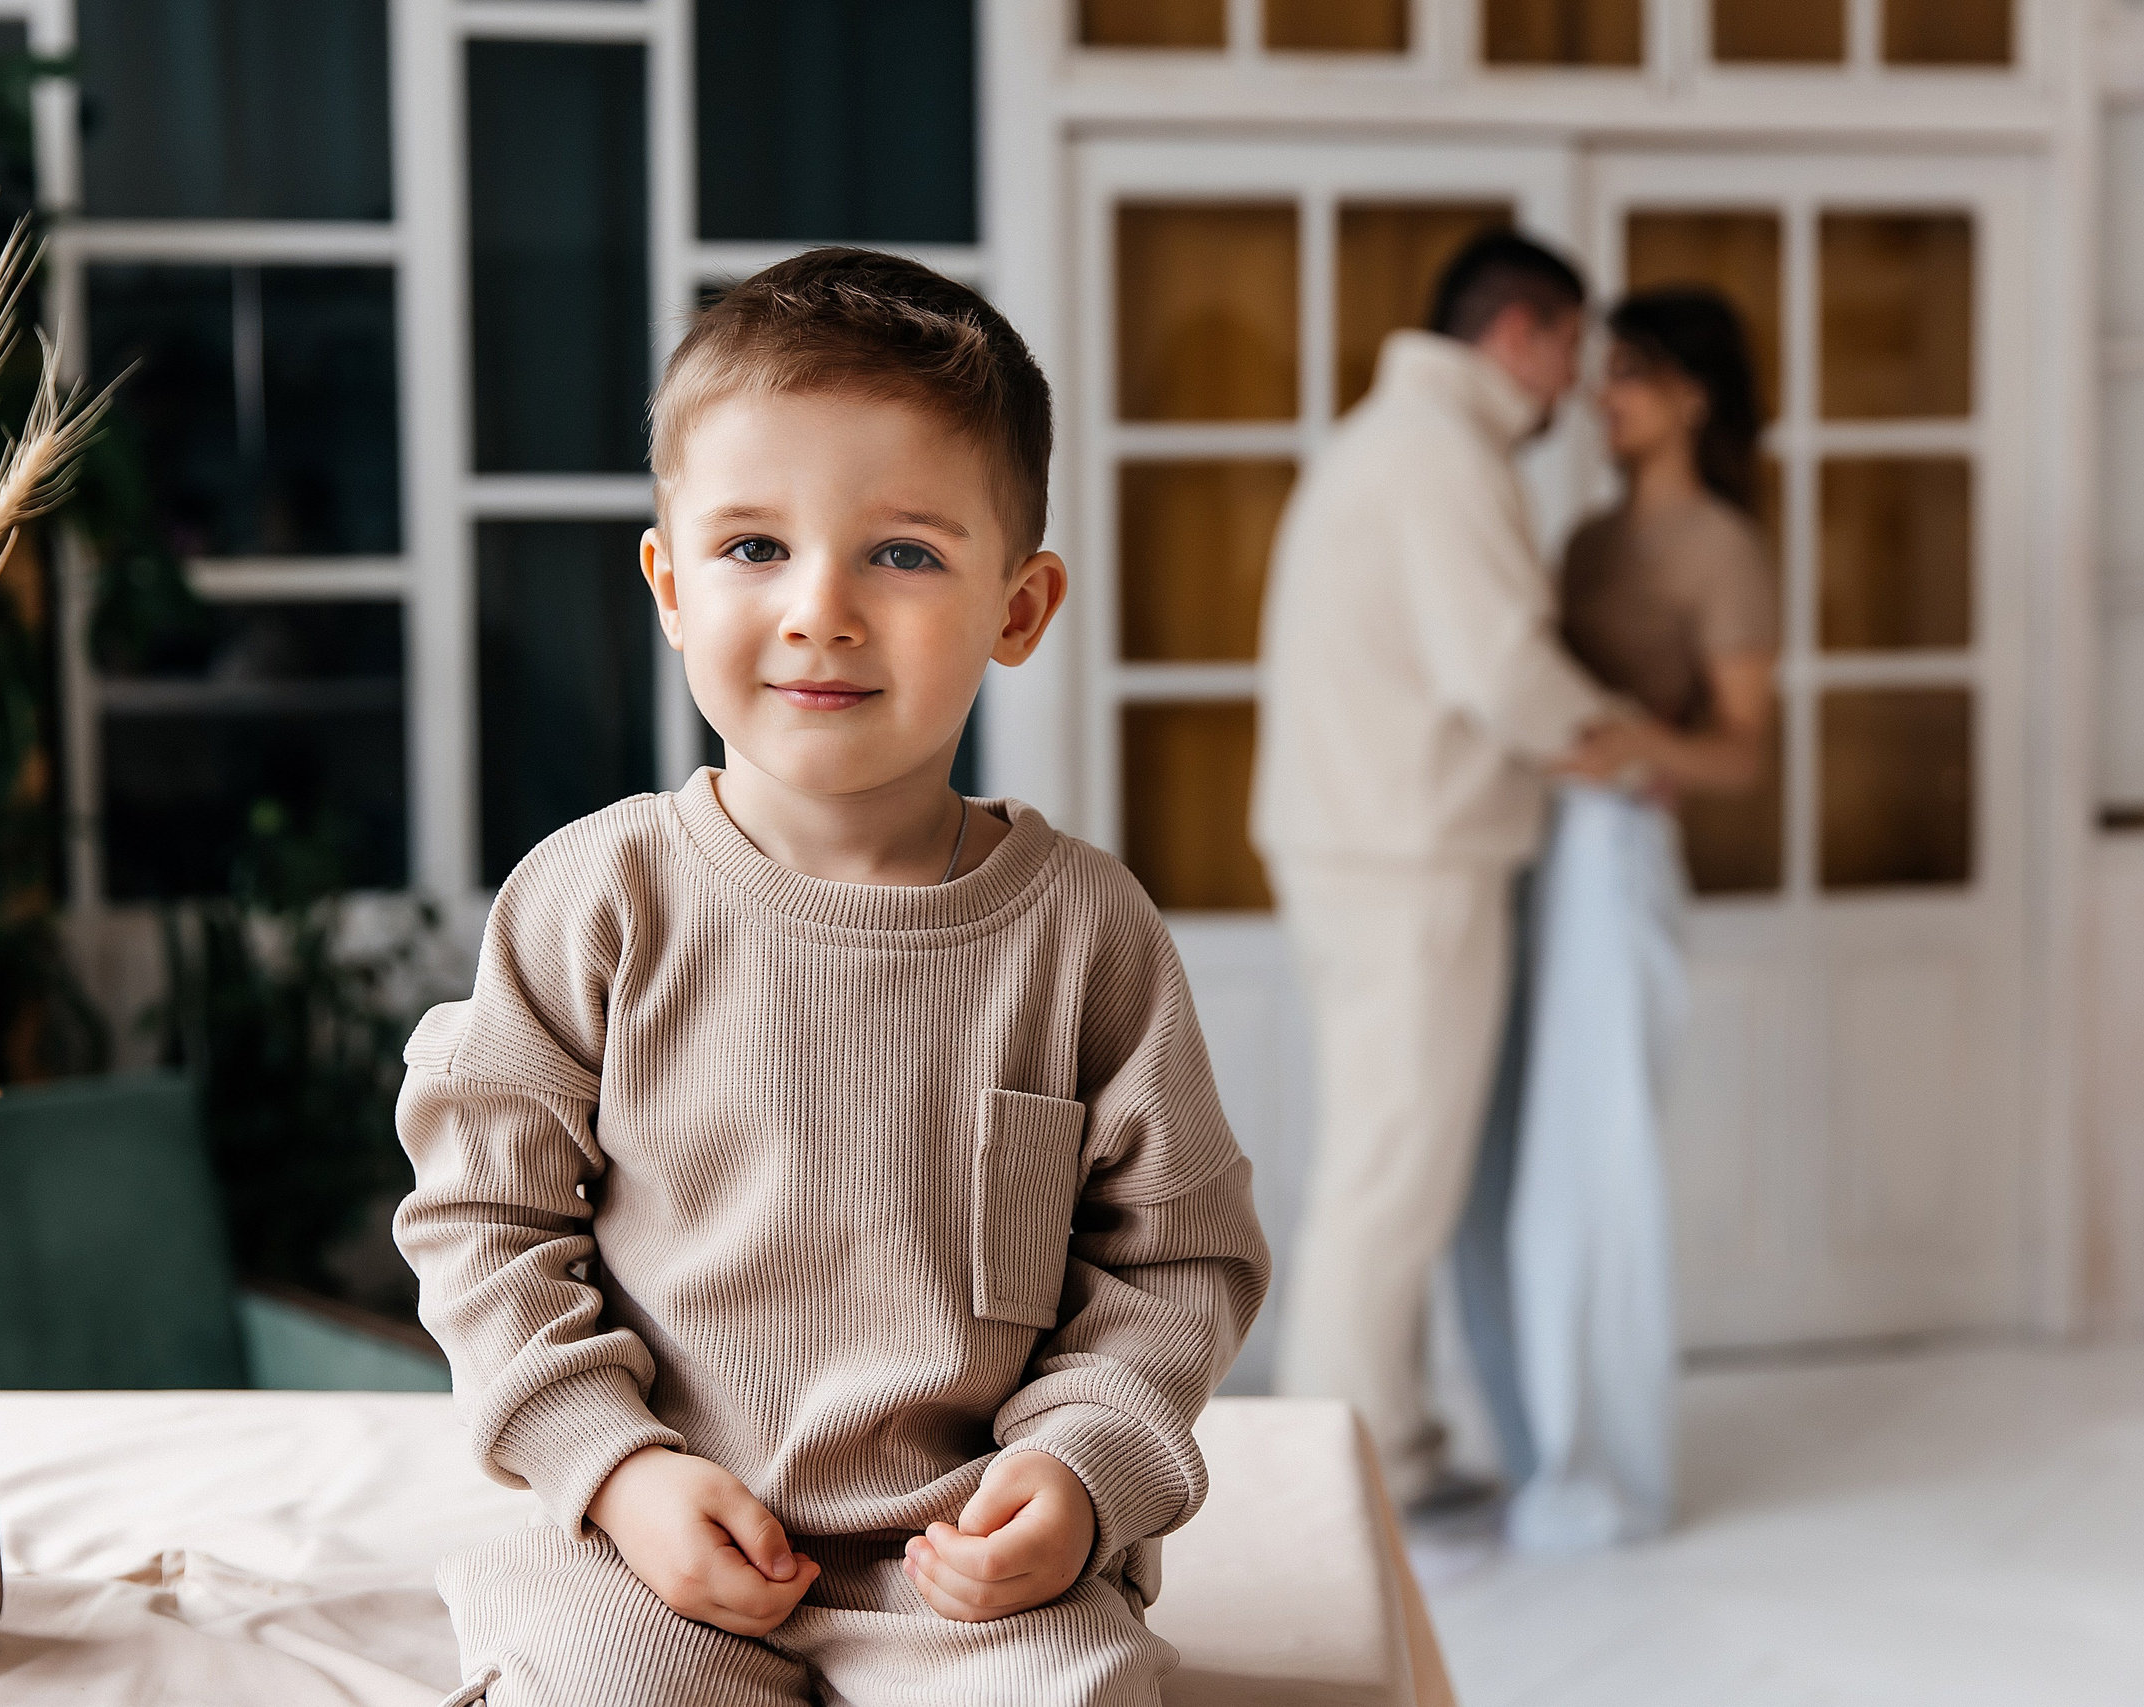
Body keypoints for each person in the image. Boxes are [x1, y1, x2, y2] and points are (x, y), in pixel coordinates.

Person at [394, 250, 1272, 1706]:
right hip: (653, 1542)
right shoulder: (593, 900)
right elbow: (484, 1220)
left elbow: (1175, 1262)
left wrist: (1079, 1473)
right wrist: (612, 1467)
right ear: (669, 586)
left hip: (965, 1566)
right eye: (754, 547)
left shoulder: (1085, 932)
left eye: (904, 554)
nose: (821, 609)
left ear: (1020, 607)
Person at [1251, 229, 1643, 1508]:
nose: (1577, 381)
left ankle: (1383, 1450)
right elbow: (1503, 668)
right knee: (1393, 1178)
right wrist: (1627, 750)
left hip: (1374, 844)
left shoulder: (1398, 440)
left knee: (1384, 1166)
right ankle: (1347, 1480)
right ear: (1519, 333)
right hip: (1403, 855)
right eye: (1572, 346)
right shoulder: (1438, 452)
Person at [1504, 285, 1777, 1551]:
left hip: (1619, 865)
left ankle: (1613, 1467)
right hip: (1542, 854)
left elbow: (1741, 753)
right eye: (1602, 370)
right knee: (1537, 1175)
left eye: (1630, 374)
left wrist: (1636, 747)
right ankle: (1548, 1445)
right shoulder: (1582, 543)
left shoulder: (1725, 549)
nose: (1600, 395)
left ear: (1693, 398)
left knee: (1605, 1164)